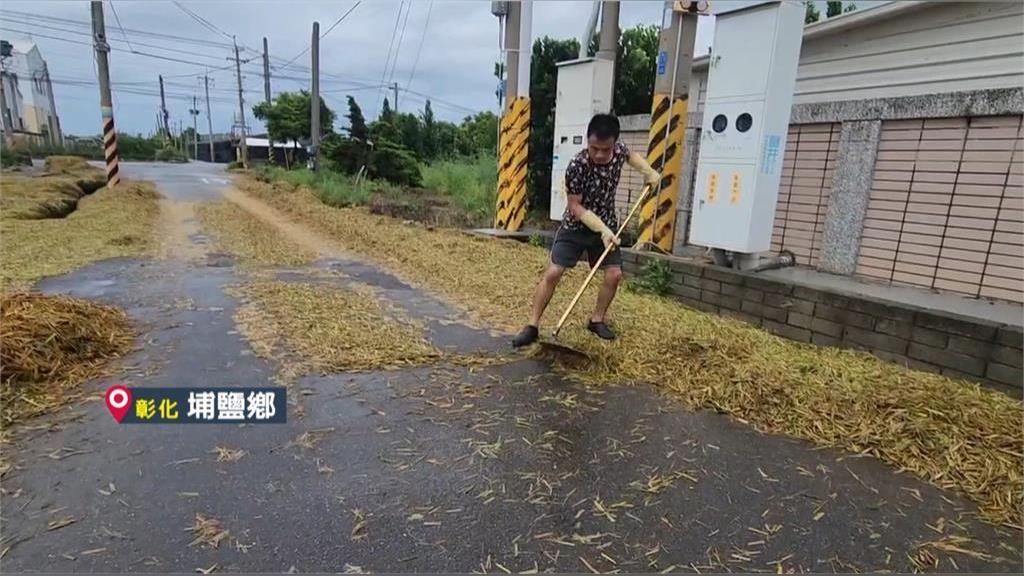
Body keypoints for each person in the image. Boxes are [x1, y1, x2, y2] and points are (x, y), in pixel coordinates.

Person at [512, 113, 661, 347]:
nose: (600, 154)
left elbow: (632, 157)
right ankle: (532, 326)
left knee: (614, 274)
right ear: (587, 142)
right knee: (553, 273)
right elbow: (575, 206)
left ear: (614, 143)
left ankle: (597, 320)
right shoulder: (577, 166)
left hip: (607, 227)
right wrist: (601, 229)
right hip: (575, 226)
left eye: (605, 149)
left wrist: (649, 172)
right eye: (594, 149)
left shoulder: (619, 151)